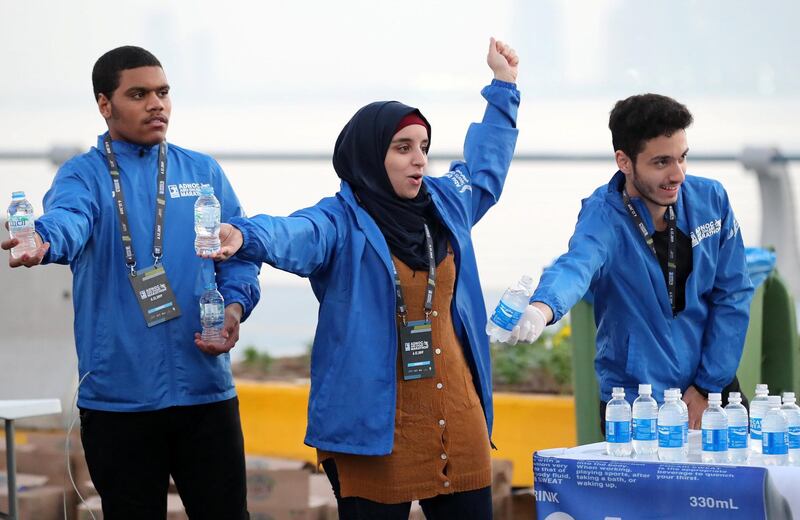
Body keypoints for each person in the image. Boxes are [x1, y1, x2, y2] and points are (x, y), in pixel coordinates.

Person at [207, 38, 519, 519]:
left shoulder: (445, 204)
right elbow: (294, 233)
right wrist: (243, 235)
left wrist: (503, 88)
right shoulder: (338, 223)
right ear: (370, 156)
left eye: (424, 148)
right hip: (374, 427)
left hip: (457, 419)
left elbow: (484, 171)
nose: (419, 159)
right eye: (402, 148)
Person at [1, 46, 260, 519]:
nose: (156, 104)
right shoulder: (83, 174)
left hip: (205, 393)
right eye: (138, 94)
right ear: (105, 104)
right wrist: (43, 240)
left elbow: (239, 255)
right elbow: (70, 219)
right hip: (119, 402)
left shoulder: (202, 172)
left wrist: (235, 308)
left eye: (162, 92)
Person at [502, 93, 754, 429]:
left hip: (713, 390)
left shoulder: (711, 199)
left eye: (683, 158)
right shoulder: (603, 217)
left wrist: (708, 386)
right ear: (624, 161)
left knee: (744, 482)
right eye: (661, 162)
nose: (677, 174)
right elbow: (575, 266)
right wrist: (540, 308)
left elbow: (733, 293)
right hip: (637, 404)